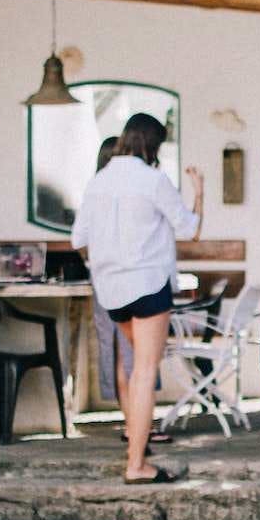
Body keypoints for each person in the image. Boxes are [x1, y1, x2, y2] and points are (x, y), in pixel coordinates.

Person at [72, 113, 204, 484]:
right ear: (152, 144)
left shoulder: (98, 181)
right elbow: (189, 229)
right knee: (145, 371)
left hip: (111, 290)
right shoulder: (153, 180)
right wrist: (199, 192)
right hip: (147, 285)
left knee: (131, 370)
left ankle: (137, 447)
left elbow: (77, 238)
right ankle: (136, 465)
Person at [88, 136, 170, 451]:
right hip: (129, 282)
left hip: (105, 282)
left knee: (124, 354)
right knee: (131, 357)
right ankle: (135, 428)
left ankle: (133, 424)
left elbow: (81, 235)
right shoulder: (119, 191)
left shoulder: (98, 191)